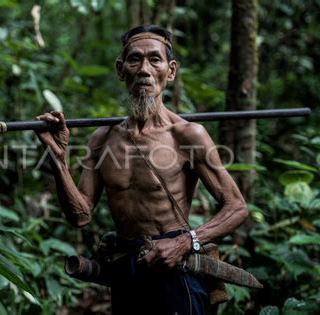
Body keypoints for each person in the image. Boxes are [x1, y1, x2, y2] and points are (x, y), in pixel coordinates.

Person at [35, 25, 249, 315]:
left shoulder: (187, 135)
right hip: (126, 269)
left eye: (155, 60)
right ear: (121, 70)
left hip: (176, 269)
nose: (144, 69)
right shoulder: (102, 139)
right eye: (135, 60)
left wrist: (185, 242)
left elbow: (236, 207)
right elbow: (80, 215)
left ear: (170, 71)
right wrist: (58, 159)